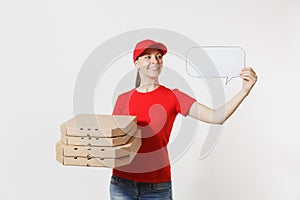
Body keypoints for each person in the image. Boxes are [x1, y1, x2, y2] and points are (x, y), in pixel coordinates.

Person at [110, 39, 257, 200]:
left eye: (159, 56)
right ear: (136, 63)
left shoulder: (173, 97)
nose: (155, 61)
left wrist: (244, 91)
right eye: (148, 57)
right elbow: (113, 140)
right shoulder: (123, 99)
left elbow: (216, 117)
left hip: (156, 186)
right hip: (121, 183)